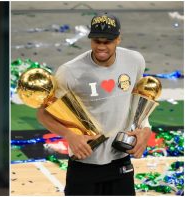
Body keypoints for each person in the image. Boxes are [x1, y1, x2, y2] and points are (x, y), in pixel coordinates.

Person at [37, 13, 151, 195]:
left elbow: (138, 99)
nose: (101, 47)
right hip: (84, 164)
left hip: (120, 161)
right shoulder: (70, 71)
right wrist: (69, 135)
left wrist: (145, 129)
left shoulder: (135, 61)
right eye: (97, 41)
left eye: (108, 42)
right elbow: (43, 113)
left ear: (118, 39)